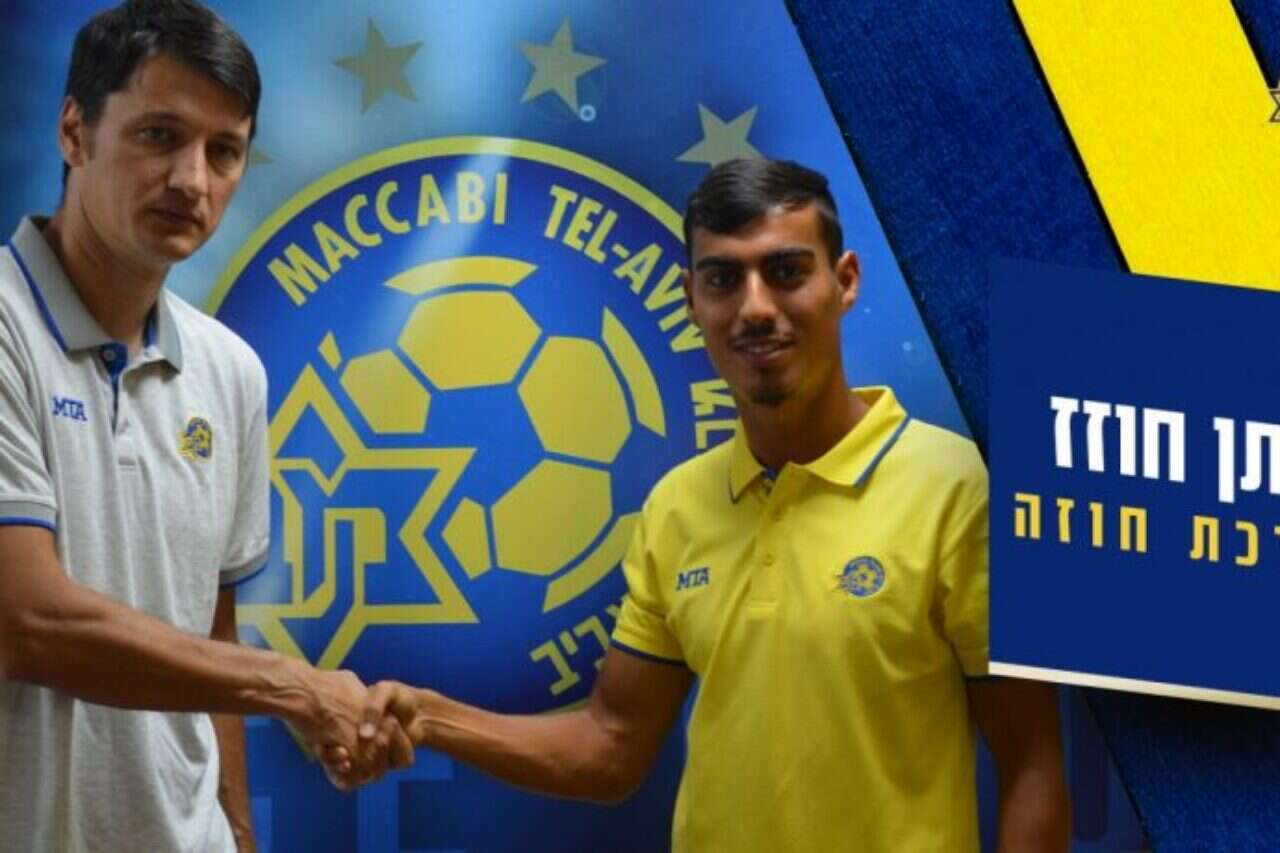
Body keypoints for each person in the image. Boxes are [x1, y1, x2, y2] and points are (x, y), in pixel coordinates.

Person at [339, 158, 1071, 850]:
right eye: (724, 279)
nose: (755, 308)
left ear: (845, 281)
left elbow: (1033, 762)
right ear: (692, 299)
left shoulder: (956, 486)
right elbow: (610, 747)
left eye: (785, 272)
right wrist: (427, 716)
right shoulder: (676, 507)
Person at [0, 3, 407, 852]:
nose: (192, 179)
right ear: (74, 131)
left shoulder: (232, 370)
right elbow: (25, 622)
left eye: (224, 151)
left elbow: (211, 631)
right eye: (159, 135)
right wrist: (297, 688)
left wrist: (239, 827)